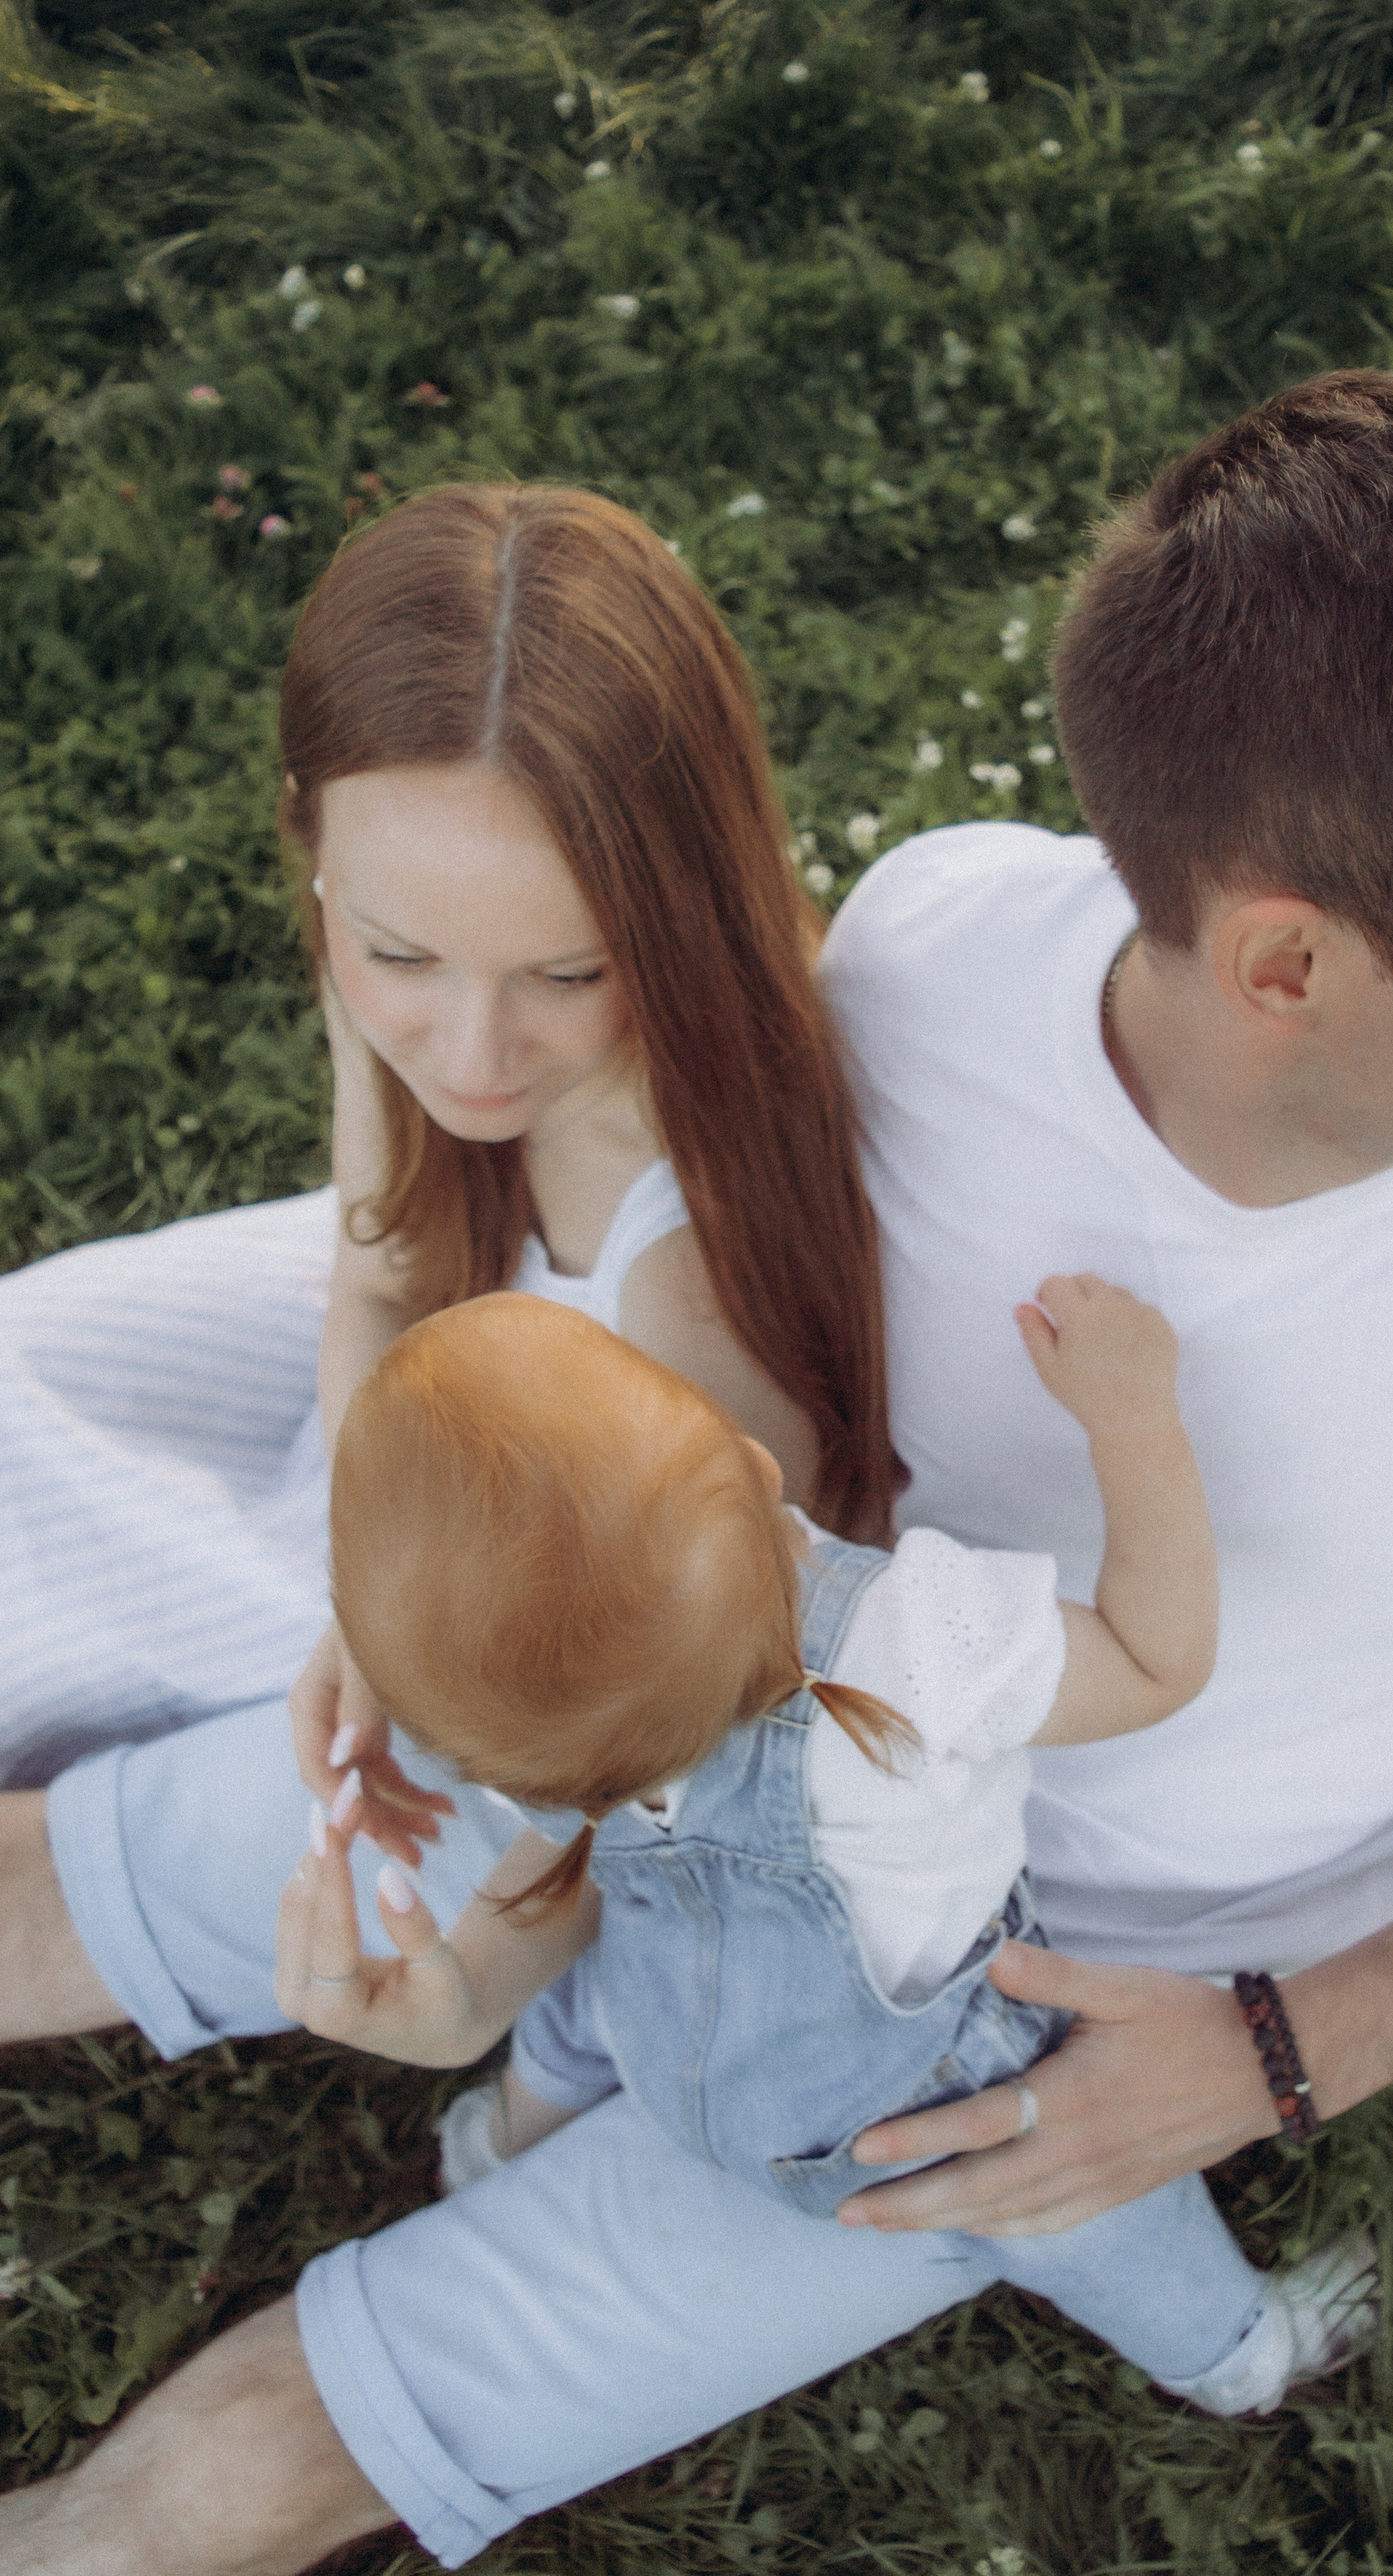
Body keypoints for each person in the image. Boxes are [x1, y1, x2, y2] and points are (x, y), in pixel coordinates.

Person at [5, 370, 1393, 2576]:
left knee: (240, 2472)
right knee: (115, 1869)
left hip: (1050, 2006)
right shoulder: (949, 945)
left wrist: (1282, 2048)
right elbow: (610, 1135)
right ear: (1281, 962)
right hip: (705, 1681)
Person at [277, 1282, 1375, 2416]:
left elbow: (568, 1872)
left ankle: (498, 2147)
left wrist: (463, 1995)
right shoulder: (905, 1645)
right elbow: (1157, 1661)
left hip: (669, 2048)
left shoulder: (535, 1737)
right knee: (1093, 2213)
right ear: (755, 1470)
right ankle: (1245, 2353)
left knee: (590, 1976)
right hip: (924, 2121)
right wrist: (1132, 1418)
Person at [0, 481, 898, 1830]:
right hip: (390, 1424)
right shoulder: (399, 914)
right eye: (398, 957)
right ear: (310, 832)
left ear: (680, 906)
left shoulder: (683, 1283)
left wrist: (370, 1612)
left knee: (101, 1668)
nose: (472, 1058)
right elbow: (377, 1267)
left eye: (570, 970)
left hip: (534, 1599)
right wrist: (357, 1544)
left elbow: (680, 1712)